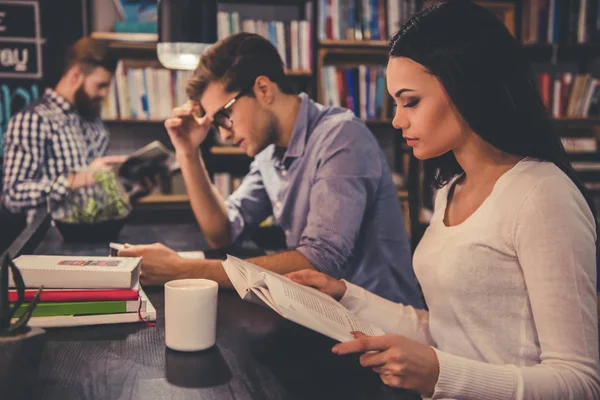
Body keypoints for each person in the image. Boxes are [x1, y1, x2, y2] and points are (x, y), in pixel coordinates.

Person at [287, 1, 600, 398]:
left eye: (410, 101)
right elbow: (447, 329)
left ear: (465, 85)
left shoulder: (542, 195)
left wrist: (440, 374)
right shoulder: (449, 189)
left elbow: (580, 382)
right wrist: (347, 296)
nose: (398, 120)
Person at [118, 33, 423, 306]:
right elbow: (222, 234)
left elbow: (320, 262)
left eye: (224, 116)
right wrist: (187, 151)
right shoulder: (269, 154)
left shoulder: (341, 137)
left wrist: (182, 270)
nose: (223, 133)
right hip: (323, 315)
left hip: (383, 329)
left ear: (263, 89)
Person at [2, 37, 126, 218]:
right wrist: (76, 181)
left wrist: (135, 189)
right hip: (52, 240)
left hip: (97, 232)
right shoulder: (33, 120)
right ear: (75, 76)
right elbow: (12, 195)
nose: (105, 94)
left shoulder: (94, 124)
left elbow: (99, 193)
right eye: (101, 86)